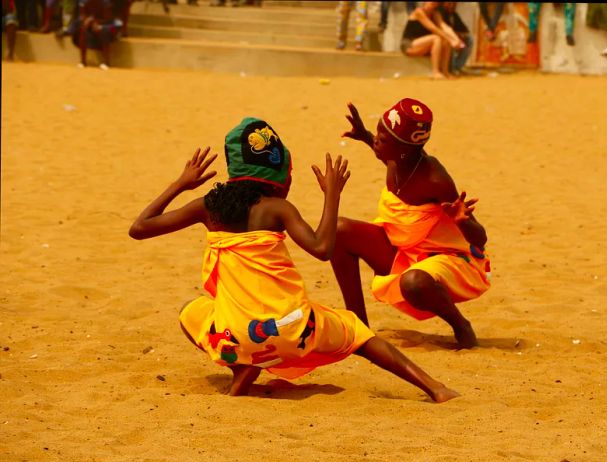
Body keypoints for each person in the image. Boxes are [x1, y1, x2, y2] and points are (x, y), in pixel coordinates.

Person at [128, 117, 460, 403]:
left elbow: (140, 228)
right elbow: (322, 248)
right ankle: (435, 388)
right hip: (295, 330)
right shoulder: (278, 209)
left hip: (233, 338)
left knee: (192, 311)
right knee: (358, 333)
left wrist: (180, 184)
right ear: (277, 174)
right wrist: (332, 195)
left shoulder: (208, 206)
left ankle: (242, 365)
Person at [331, 99, 491, 349]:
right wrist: (364, 136)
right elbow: (385, 156)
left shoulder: (435, 178)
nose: (376, 142)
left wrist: (463, 220)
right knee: (339, 230)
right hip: (404, 250)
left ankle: (461, 326)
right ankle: (359, 326)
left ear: (404, 149)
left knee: (414, 283)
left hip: (445, 259)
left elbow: (480, 240)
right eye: (378, 133)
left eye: (382, 140)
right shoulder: (398, 158)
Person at [400, 1, 465, 79]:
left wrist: (455, 39)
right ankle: (435, 72)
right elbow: (433, 28)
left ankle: (445, 72)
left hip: (424, 44)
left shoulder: (435, 14)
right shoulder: (419, 12)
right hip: (409, 44)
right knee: (436, 38)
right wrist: (451, 40)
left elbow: (444, 27)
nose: (433, 4)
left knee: (445, 42)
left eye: (435, 3)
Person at [73, 0, 122, 69]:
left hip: (107, 24)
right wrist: (87, 21)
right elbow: (82, 15)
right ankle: (82, 61)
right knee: (82, 31)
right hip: (91, 23)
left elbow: (108, 19)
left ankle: (106, 62)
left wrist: (95, 22)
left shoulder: (106, 2)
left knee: (104, 31)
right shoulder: (83, 2)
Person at [438, 2, 473, 75]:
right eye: (449, 3)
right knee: (452, 42)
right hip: (445, 39)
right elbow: (442, 29)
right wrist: (456, 37)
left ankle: (458, 66)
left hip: (456, 39)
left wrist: (460, 36)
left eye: (453, 3)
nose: (452, 5)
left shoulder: (454, 14)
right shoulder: (440, 12)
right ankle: (452, 68)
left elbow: (465, 30)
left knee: (469, 40)